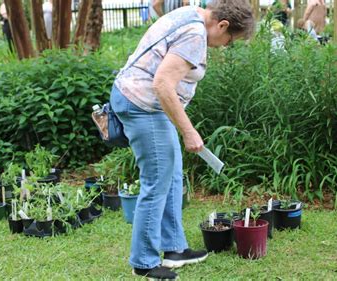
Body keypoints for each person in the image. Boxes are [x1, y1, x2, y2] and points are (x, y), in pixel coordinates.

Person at [109, 0, 255, 279]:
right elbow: (162, 84)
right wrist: (189, 131)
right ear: (222, 25)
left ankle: (174, 248)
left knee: (172, 175)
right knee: (157, 181)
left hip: (148, 105)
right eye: (230, 39)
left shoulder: (191, 14)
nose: (226, 45)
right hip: (143, 106)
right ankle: (144, 262)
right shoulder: (195, 35)